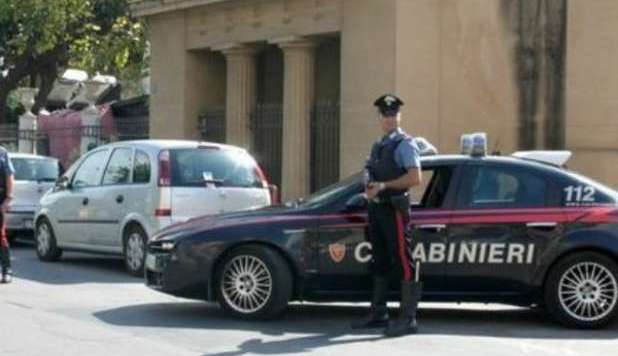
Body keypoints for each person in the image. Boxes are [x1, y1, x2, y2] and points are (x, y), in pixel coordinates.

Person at [351, 94, 423, 337]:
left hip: (394, 208)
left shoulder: (405, 144)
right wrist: (369, 182)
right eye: (385, 114)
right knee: (379, 259)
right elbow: (369, 170)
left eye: (393, 114)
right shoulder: (379, 145)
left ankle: (408, 318)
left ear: (398, 116)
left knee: (403, 260)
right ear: (379, 118)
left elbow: (414, 178)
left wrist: (382, 186)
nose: (389, 119)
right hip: (378, 209)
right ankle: (378, 312)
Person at [0, 145, 15, 283]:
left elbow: (9, 175)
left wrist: (8, 198)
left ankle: (6, 270)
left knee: (0, 236)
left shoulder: (2, 152)